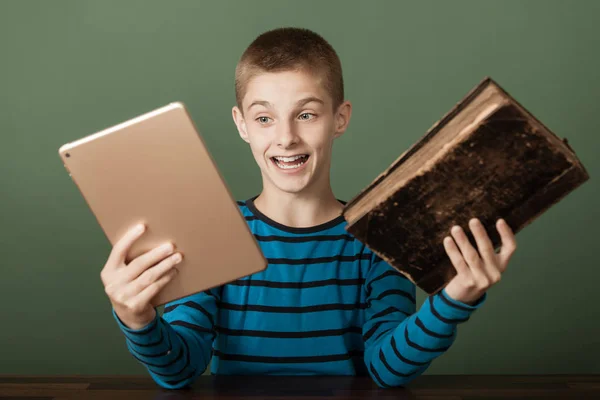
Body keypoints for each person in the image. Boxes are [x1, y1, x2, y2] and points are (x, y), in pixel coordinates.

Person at [100, 27, 517, 389]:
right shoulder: (214, 230)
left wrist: (455, 298)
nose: (286, 138)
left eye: (306, 114)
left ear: (340, 118)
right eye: (264, 118)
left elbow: (387, 370)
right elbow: (180, 370)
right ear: (241, 124)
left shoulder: (376, 235)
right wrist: (137, 320)